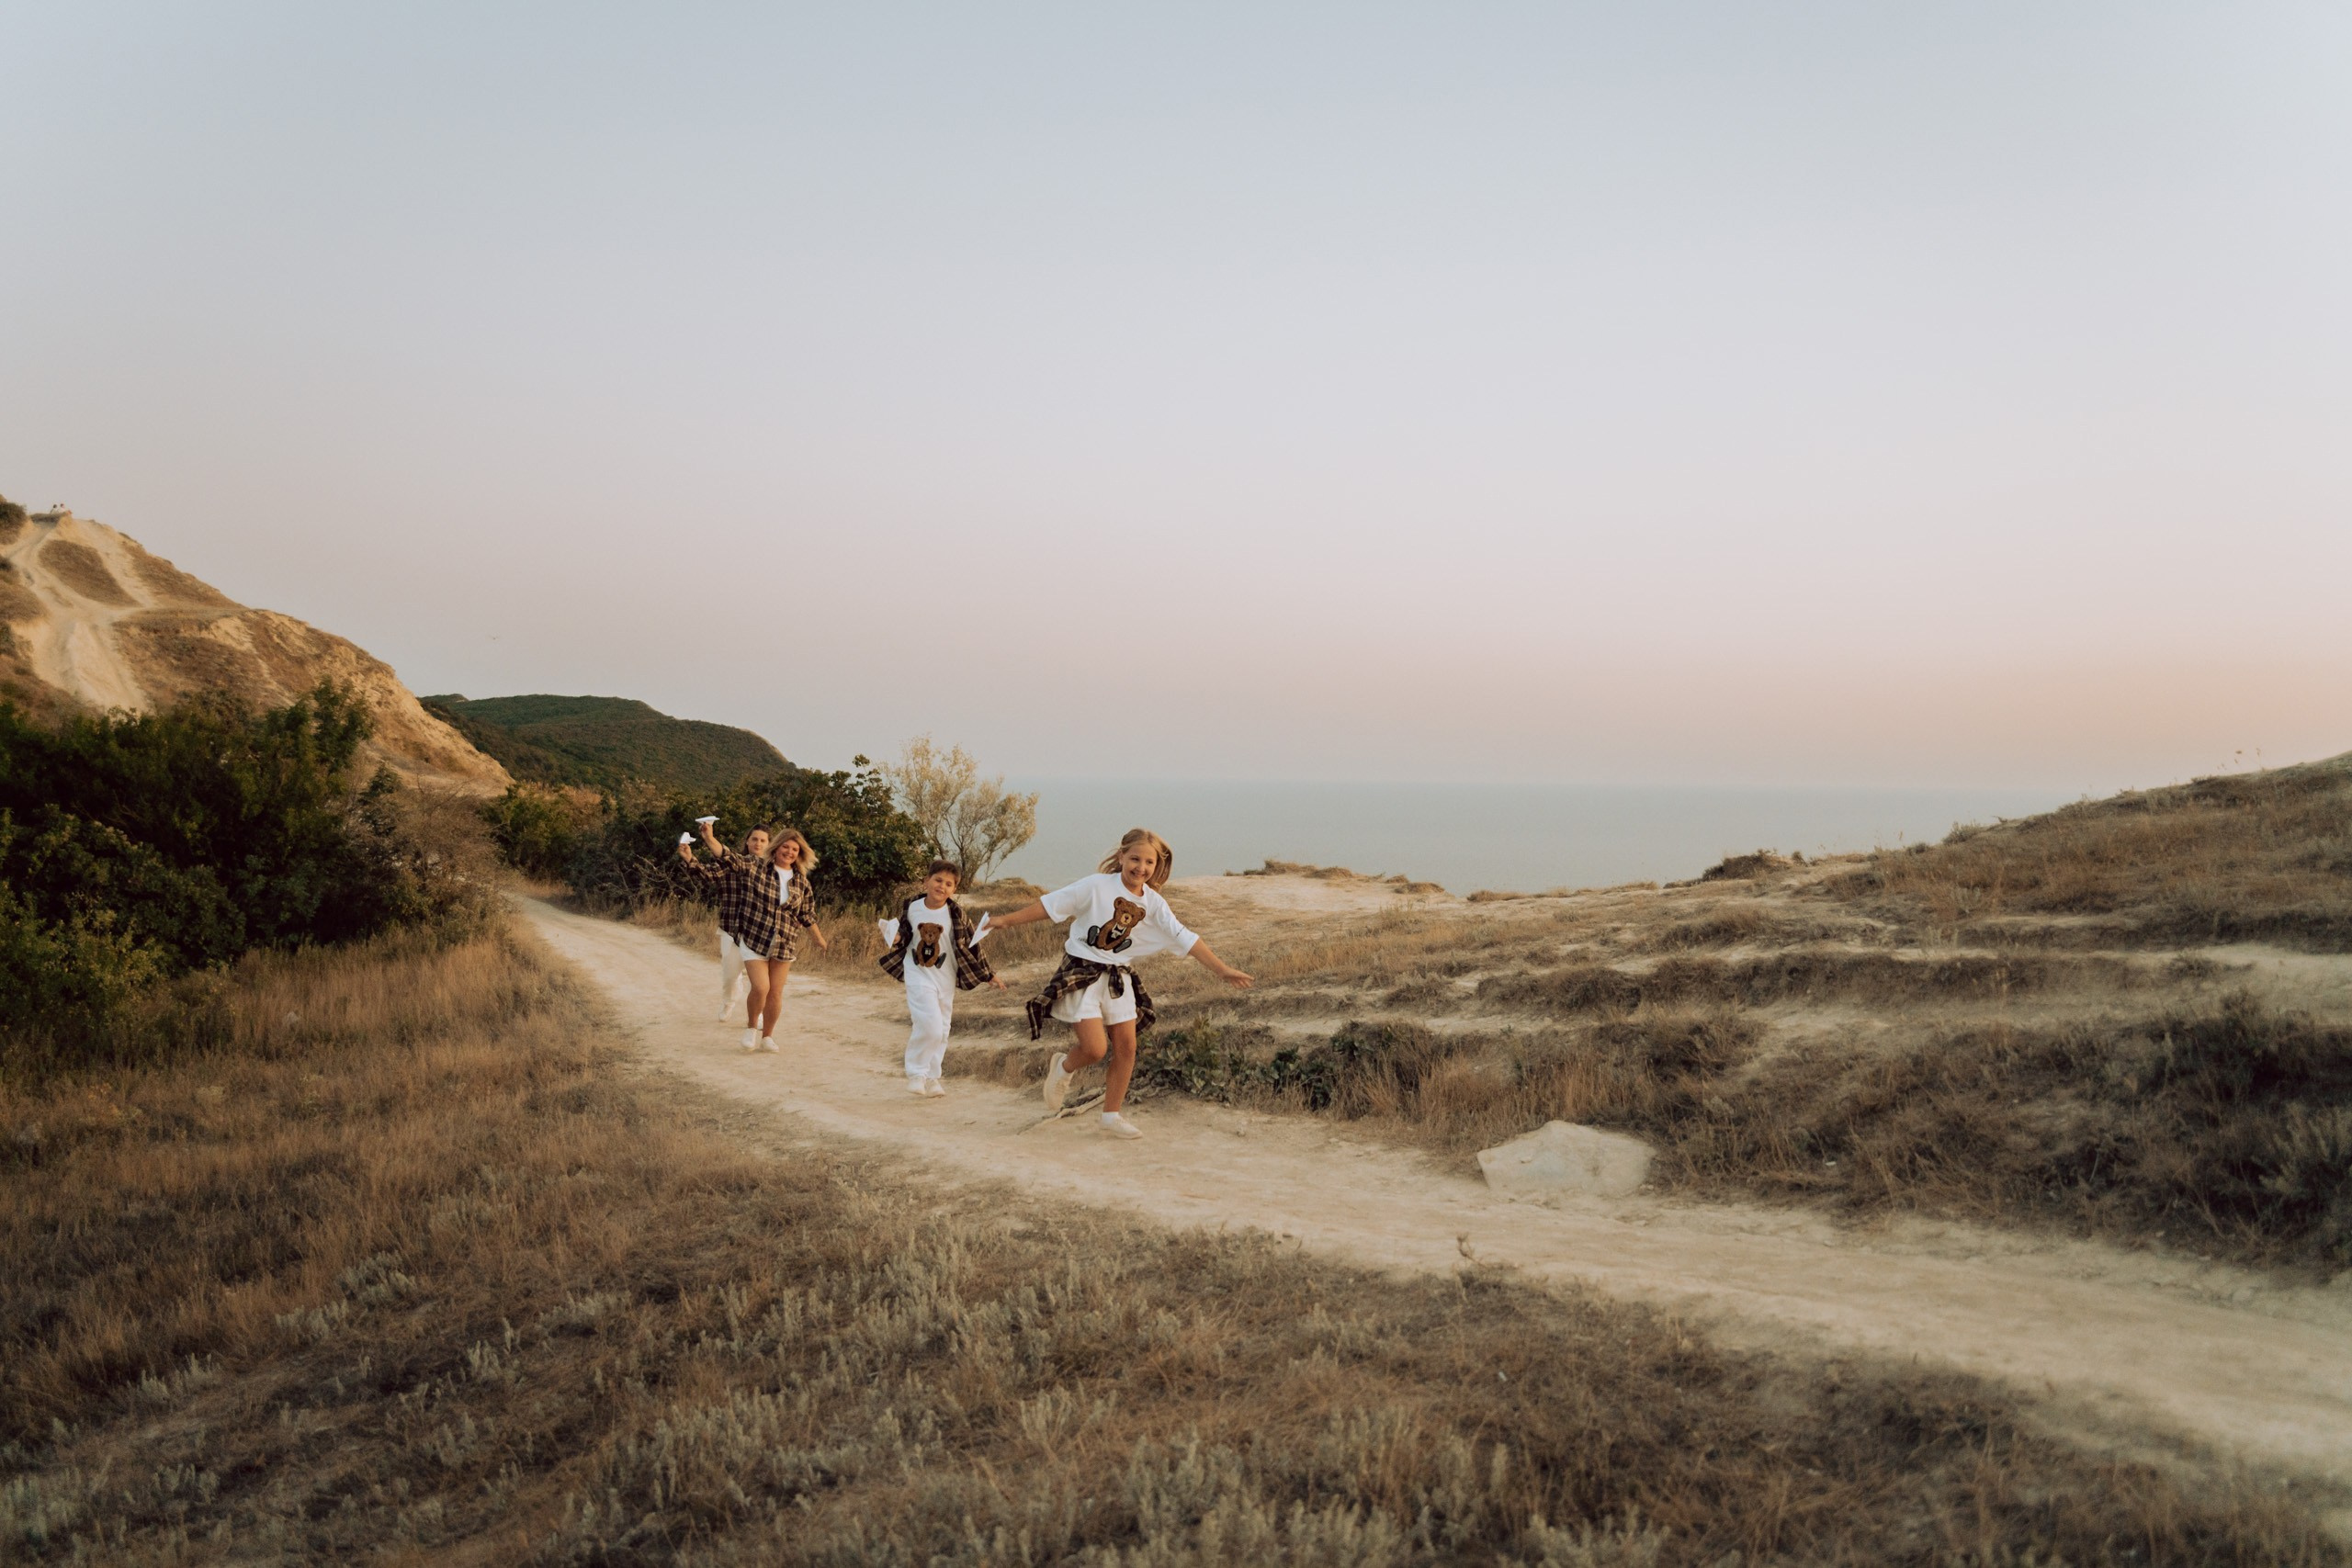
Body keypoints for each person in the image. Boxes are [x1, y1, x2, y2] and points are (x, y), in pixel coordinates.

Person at [982, 828, 1251, 1139]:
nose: (1141, 868)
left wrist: (1222, 970)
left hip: (1118, 976)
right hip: (1082, 972)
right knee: (1095, 1049)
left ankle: (1111, 1115)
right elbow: (1052, 905)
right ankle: (1064, 1068)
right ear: (1121, 856)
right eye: (1135, 858)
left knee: (1127, 1046)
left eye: (1149, 862)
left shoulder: (1153, 903)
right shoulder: (1097, 886)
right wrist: (1005, 920)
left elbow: (1184, 936)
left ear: (1157, 866)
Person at [678, 823, 829, 1052]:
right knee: (748, 982)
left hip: (781, 940)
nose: (789, 852)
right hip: (745, 933)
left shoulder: (799, 881)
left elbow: (806, 912)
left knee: (772, 991)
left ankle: (765, 1033)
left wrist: (817, 937)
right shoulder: (749, 865)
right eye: (785, 847)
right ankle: (741, 1015)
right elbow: (721, 862)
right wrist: (705, 843)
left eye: (794, 849)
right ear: (774, 847)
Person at [876, 859, 1004, 1097]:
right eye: (938, 880)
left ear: (954, 889)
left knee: (943, 1029)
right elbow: (904, 934)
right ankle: (916, 1074)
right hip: (918, 973)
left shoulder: (956, 914)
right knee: (930, 1025)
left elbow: (973, 944)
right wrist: (893, 937)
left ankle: (933, 1078)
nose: (942, 887)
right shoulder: (912, 906)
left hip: (946, 977)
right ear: (926, 881)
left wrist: (989, 973)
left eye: (949, 884)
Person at [712, 825, 770, 1020]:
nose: (758, 843)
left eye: (763, 840)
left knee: (760, 980)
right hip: (731, 928)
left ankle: (758, 1013)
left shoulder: (774, 869)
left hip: (759, 931)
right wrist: (689, 858)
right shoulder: (734, 863)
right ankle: (729, 1000)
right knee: (730, 976)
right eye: (754, 839)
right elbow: (708, 874)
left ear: (769, 844)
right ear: (747, 841)